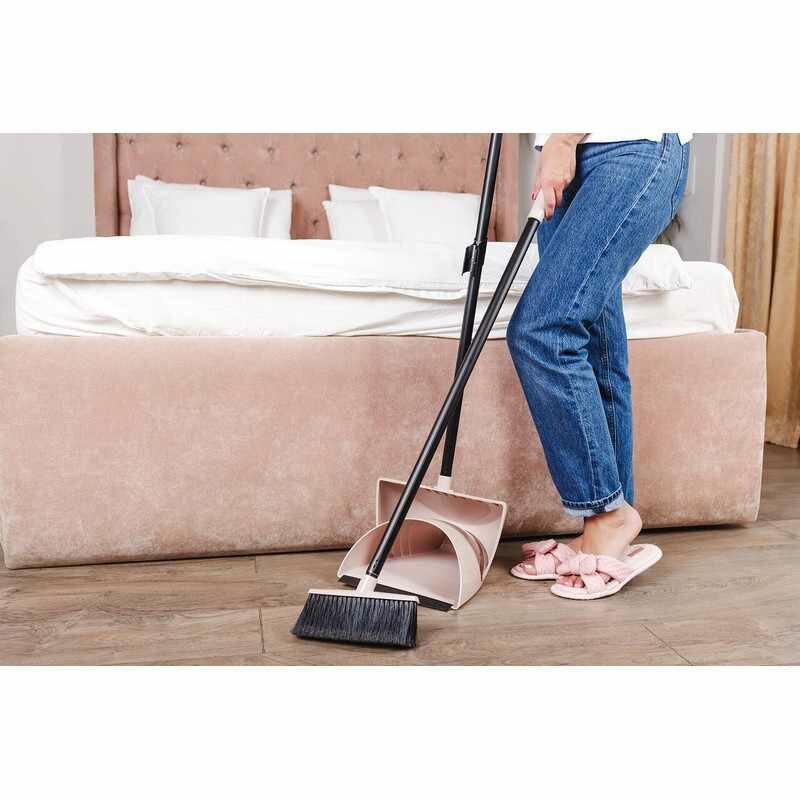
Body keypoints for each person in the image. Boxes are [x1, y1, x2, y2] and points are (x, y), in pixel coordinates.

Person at [508, 133, 690, 599]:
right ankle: (606, 529)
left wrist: (565, 136)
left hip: (629, 143)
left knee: (543, 329)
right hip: (567, 155)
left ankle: (609, 514)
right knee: (596, 350)